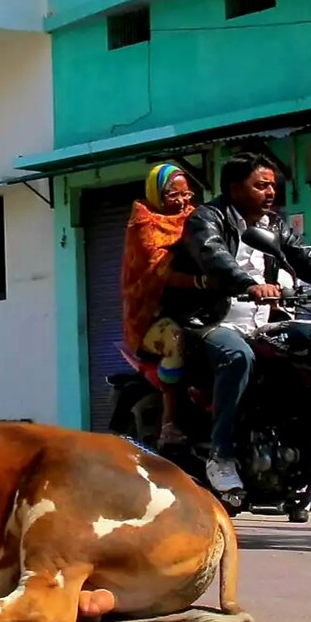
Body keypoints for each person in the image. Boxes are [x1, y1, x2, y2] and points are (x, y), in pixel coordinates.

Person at [162, 152, 311, 493]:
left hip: (264, 323)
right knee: (237, 356)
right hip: (208, 320)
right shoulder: (206, 219)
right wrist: (247, 284)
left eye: (272, 186)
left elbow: (306, 257)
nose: (270, 192)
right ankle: (221, 455)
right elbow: (214, 254)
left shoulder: (274, 225)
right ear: (234, 188)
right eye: (261, 185)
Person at [120, 162, 196, 446]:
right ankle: (169, 422)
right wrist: (201, 282)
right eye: (173, 195)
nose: (181, 201)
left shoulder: (194, 217)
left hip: (193, 306)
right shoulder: (143, 224)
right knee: (175, 338)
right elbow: (158, 272)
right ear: (156, 195)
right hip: (150, 314)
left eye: (186, 194)